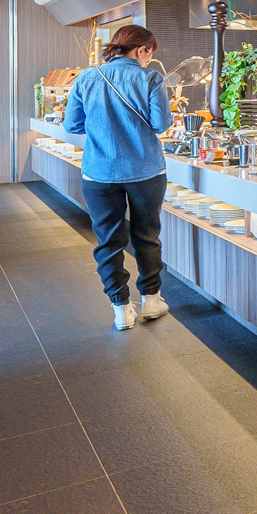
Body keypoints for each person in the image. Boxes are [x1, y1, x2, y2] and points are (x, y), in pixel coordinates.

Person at [63, 25, 174, 330]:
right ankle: (152, 300)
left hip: (99, 173)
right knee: (146, 235)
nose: (149, 60)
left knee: (108, 240)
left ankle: (120, 308)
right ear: (141, 50)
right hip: (145, 171)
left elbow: (72, 125)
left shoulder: (87, 77)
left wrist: (102, 127)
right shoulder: (150, 78)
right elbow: (161, 124)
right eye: (150, 54)